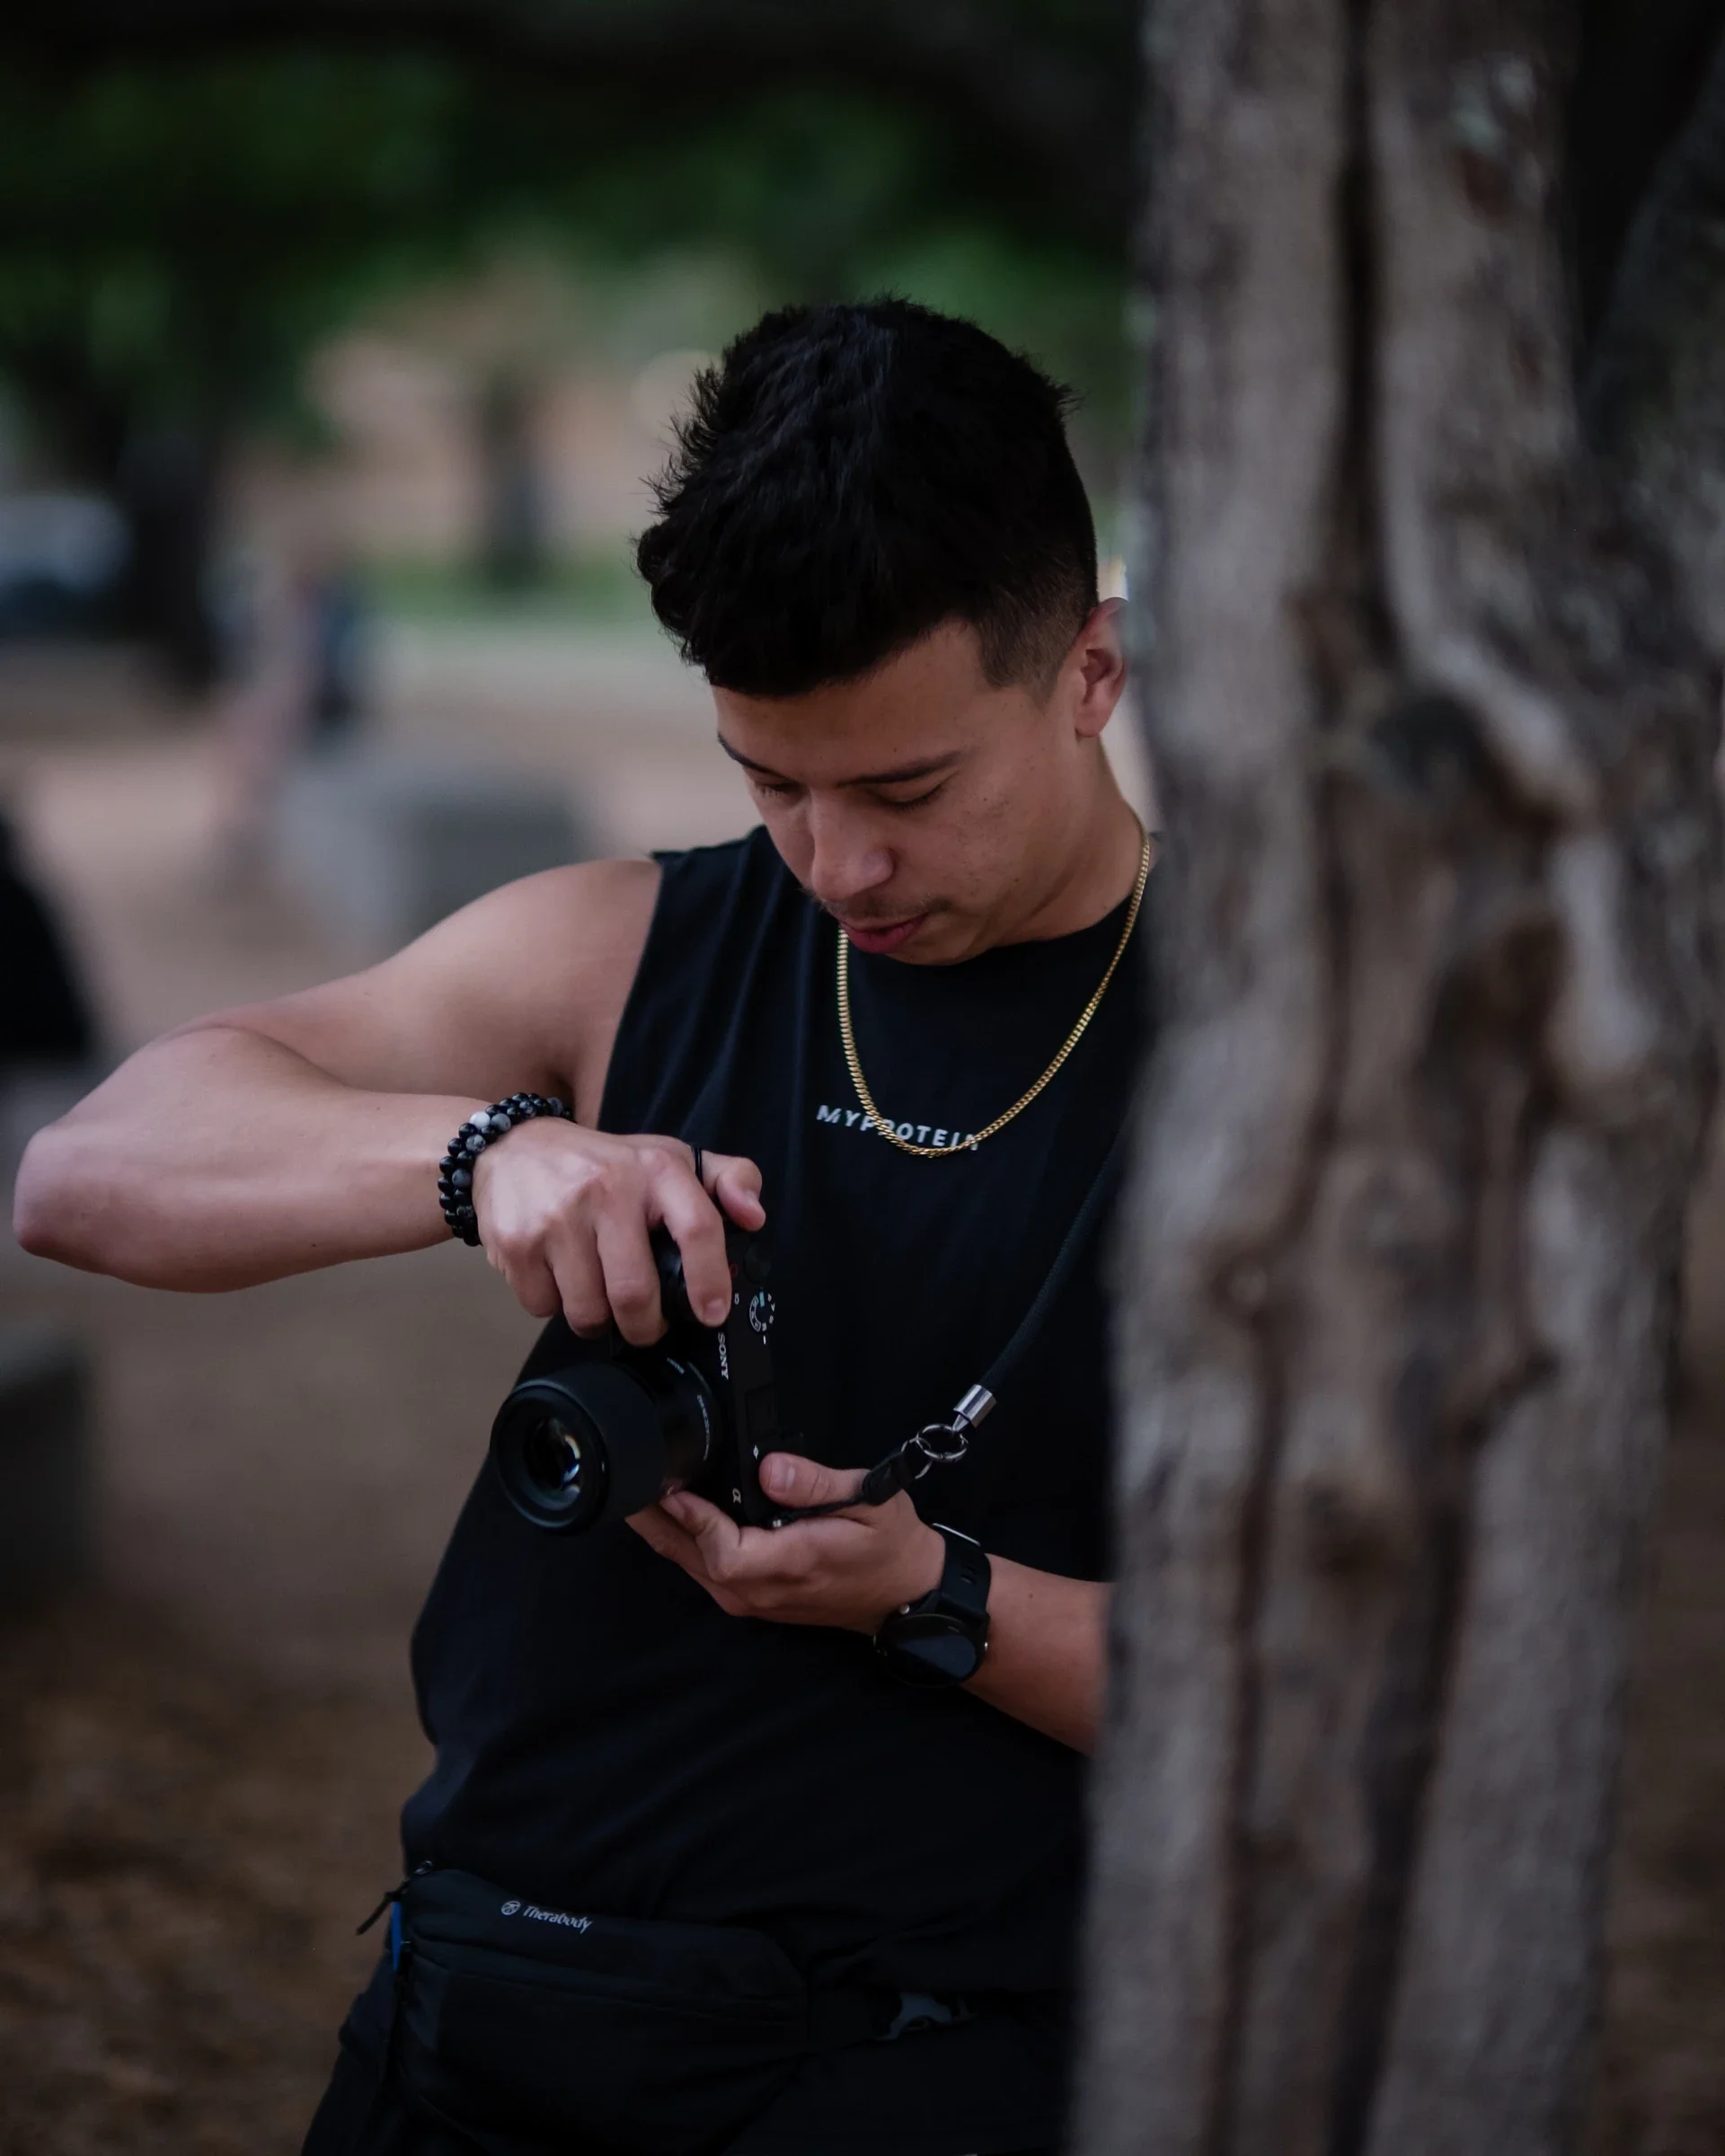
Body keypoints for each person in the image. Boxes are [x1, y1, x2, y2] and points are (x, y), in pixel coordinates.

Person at [13, 299, 1151, 2156]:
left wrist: (931, 1598)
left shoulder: (1280, 1065)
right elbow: (84, 1174)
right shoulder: (634, 946)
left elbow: (1353, 1709)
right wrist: (487, 1159)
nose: (838, 867)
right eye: (769, 782)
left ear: (1091, 670)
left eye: (910, 789)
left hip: (920, 2062)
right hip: (482, 2000)